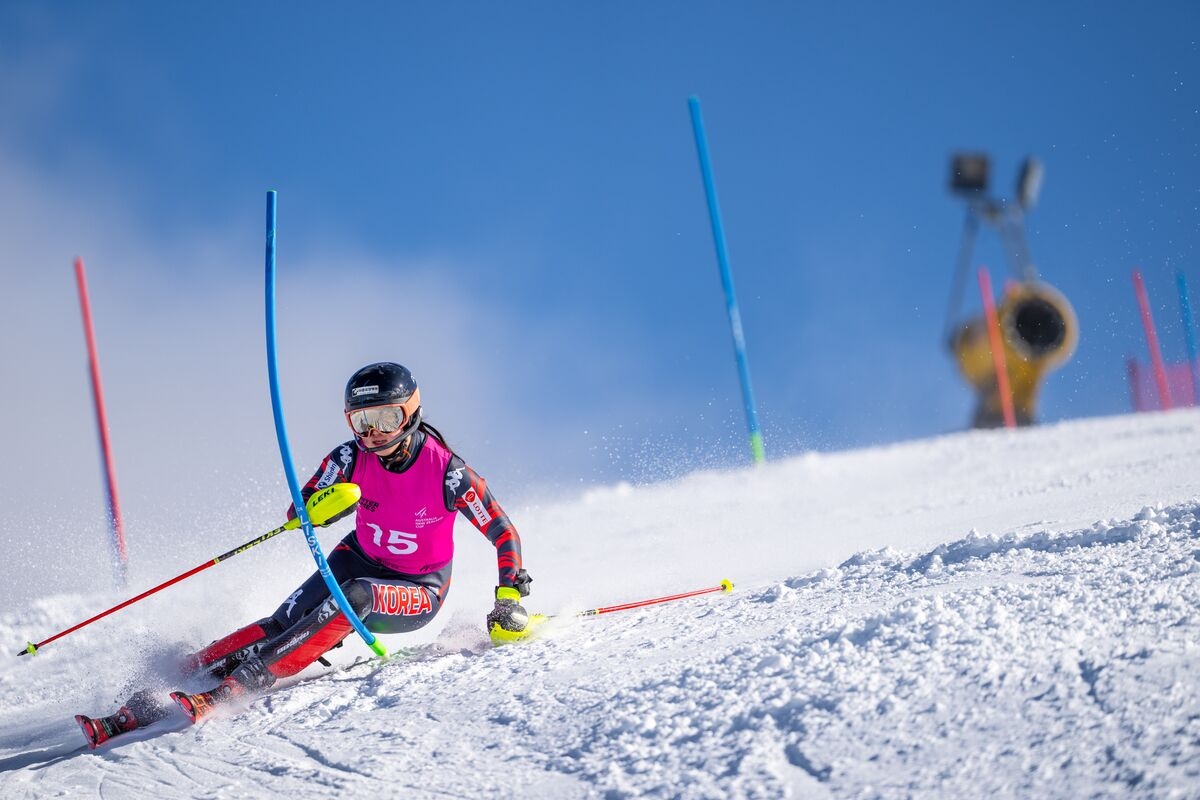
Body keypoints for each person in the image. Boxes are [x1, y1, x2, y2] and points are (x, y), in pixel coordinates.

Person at [77, 362, 533, 748]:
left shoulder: (447, 473)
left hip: (419, 588)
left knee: (354, 597)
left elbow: (502, 531)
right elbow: (302, 506)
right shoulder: (350, 457)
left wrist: (509, 597)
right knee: (282, 622)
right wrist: (320, 508)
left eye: (386, 418)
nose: (373, 433)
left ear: (410, 413)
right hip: (358, 556)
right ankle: (155, 694)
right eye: (361, 421)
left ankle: (237, 686)